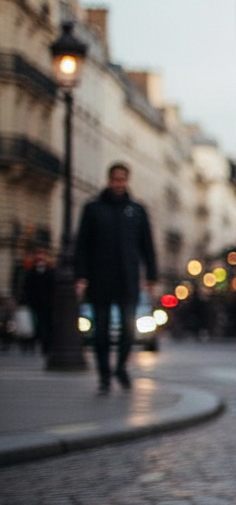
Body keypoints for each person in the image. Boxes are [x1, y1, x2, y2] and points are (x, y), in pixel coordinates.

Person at [74, 163, 157, 394]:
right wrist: (81, 275)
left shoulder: (137, 210)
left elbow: (147, 245)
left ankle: (120, 367)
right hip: (100, 279)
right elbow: (82, 244)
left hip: (128, 279)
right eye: (115, 179)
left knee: (128, 332)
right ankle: (104, 376)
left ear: (127, 181)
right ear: (109, 179)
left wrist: (151, 275)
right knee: (100, 332)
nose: (119, 183)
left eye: (122, 179)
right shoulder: (93, 209)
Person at [21, 247, 55, 356]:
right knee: (34, 324)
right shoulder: (30, 271)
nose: (40, 257)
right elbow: (26, 287)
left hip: (46, 303)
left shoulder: (50, 271)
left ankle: (45, 345)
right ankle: (32, 343)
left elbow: (53, 287)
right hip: (34, 302)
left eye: (42, 255)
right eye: (38, 255)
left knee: (45, 324)